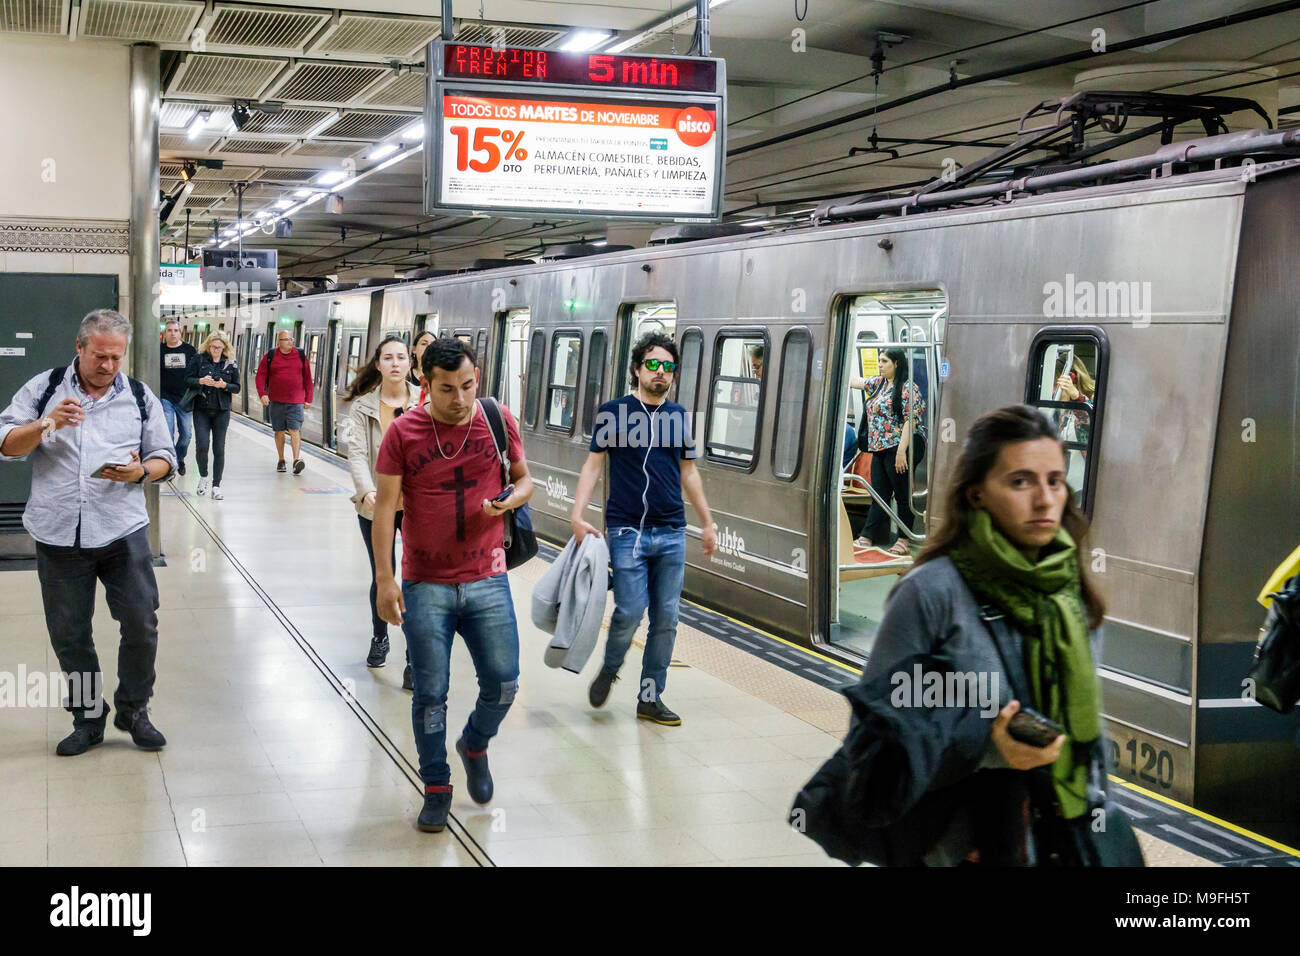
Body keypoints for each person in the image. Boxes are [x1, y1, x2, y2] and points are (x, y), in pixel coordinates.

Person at [858, 404, 1137, 865]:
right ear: (977, 494)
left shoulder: (1071, 593)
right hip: (956, 845)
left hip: (1061, 837)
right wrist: (987, 746)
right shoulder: (930, 594)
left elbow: (1090, 735)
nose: (1045, 499)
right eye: (1020, 481)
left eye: (1055, 480)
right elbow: (874, 737)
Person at [372, 337, 533, 833]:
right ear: (426, 383)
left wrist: (510, 499)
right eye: (447, 389)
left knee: (504, 683)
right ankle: (437, 786)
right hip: (427, 582)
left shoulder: (495, 418)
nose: (459, 398)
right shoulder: (404, 432)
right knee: (430, 692)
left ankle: (475, 744)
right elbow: (384, 508)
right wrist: (384, 578)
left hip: (488, 576)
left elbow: (526, 480)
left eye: (467, 385)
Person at [0, 309, 175, 755]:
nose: (108, 366)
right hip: (59, 534)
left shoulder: (138, 396)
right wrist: (45, 424)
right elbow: (5, 444)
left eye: (117, 357)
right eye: (100, 356)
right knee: (70, 632)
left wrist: (140, 472)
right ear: (79, 348)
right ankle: (87, 717)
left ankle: (134, 710)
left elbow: (166, 457)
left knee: (141, 622)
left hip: (122, 531)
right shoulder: (44, 389)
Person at [570, 332, 718, 726]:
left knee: (666, 618)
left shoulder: (679, 417)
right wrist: (577, 513)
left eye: (668, 367)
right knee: (631, 609)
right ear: (637, 369)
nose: (661, 373)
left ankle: (649, 698)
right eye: (653, 365)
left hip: (671, 530)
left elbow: (690, 473)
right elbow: (593, 465)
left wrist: (707, 522)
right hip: (626, 530)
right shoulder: (613, 412)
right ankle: (610, 666)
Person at [343, 335, 420, 689]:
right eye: (387, 357)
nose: (394, 363)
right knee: (382, 572)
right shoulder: (361, 408)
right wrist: (366, 490)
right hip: (377, 505)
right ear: (378, 364)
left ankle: (414, 656)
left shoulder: (425, 401)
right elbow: (355, 452)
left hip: (418, 506)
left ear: (409, 363)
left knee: (417, 579)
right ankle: (380, 636)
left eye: (401, 357)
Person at [850, 348, 925, 555]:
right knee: (879, 494)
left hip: (899, 447)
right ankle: (868, 535)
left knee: (902, 495)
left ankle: (904, 538)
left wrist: (902, 452)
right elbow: (855, 381)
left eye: (884, 361)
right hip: (879, 448)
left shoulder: (909, 389)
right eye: (879, 361)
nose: (880, 364)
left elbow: (911, 421)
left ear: (896, 363)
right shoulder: (879, 384)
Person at [187, 331, 240, 501]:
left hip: (222, 411)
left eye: (219, 347)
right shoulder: (199, 359)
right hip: (201, 408)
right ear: (208, 346)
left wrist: (225, 385)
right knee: (202, 446)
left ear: (224, 347)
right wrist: (200, 381)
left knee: (219, 448)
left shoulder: (231, 364)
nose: (215, 350)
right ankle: (203, 476)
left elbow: (237, 387)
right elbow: (187, 379)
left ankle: (216, 485)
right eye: (213, 346)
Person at [254, 329, 313, 474]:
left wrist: (308, 398)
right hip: (276, 400)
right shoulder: (271, 355)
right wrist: (262, 394)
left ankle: (296, 460)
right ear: (279, 342)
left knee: (295, 429)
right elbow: (260, 376)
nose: (290, 342)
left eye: (291, 339)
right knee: (279, 431)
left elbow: (307, 378)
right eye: (286, 340)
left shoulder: (300, 355)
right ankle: (281, 459)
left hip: (296, 400)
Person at [159, 319, 196, 475]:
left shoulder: (190, 350)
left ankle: (179, 457)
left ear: (180, 333)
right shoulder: (159, 350)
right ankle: (172, 462)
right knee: (168, 432)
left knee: (186, 434)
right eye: (169, 330)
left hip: (185, 398)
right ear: (164, 333)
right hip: (165, 397)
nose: (173, 333)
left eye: (175, 330)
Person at [411, 330, 436, 406]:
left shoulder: (442, 376)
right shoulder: (405, 375)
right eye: (424, 344)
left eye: (433, 344)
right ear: (414, 349)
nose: (428, 347)